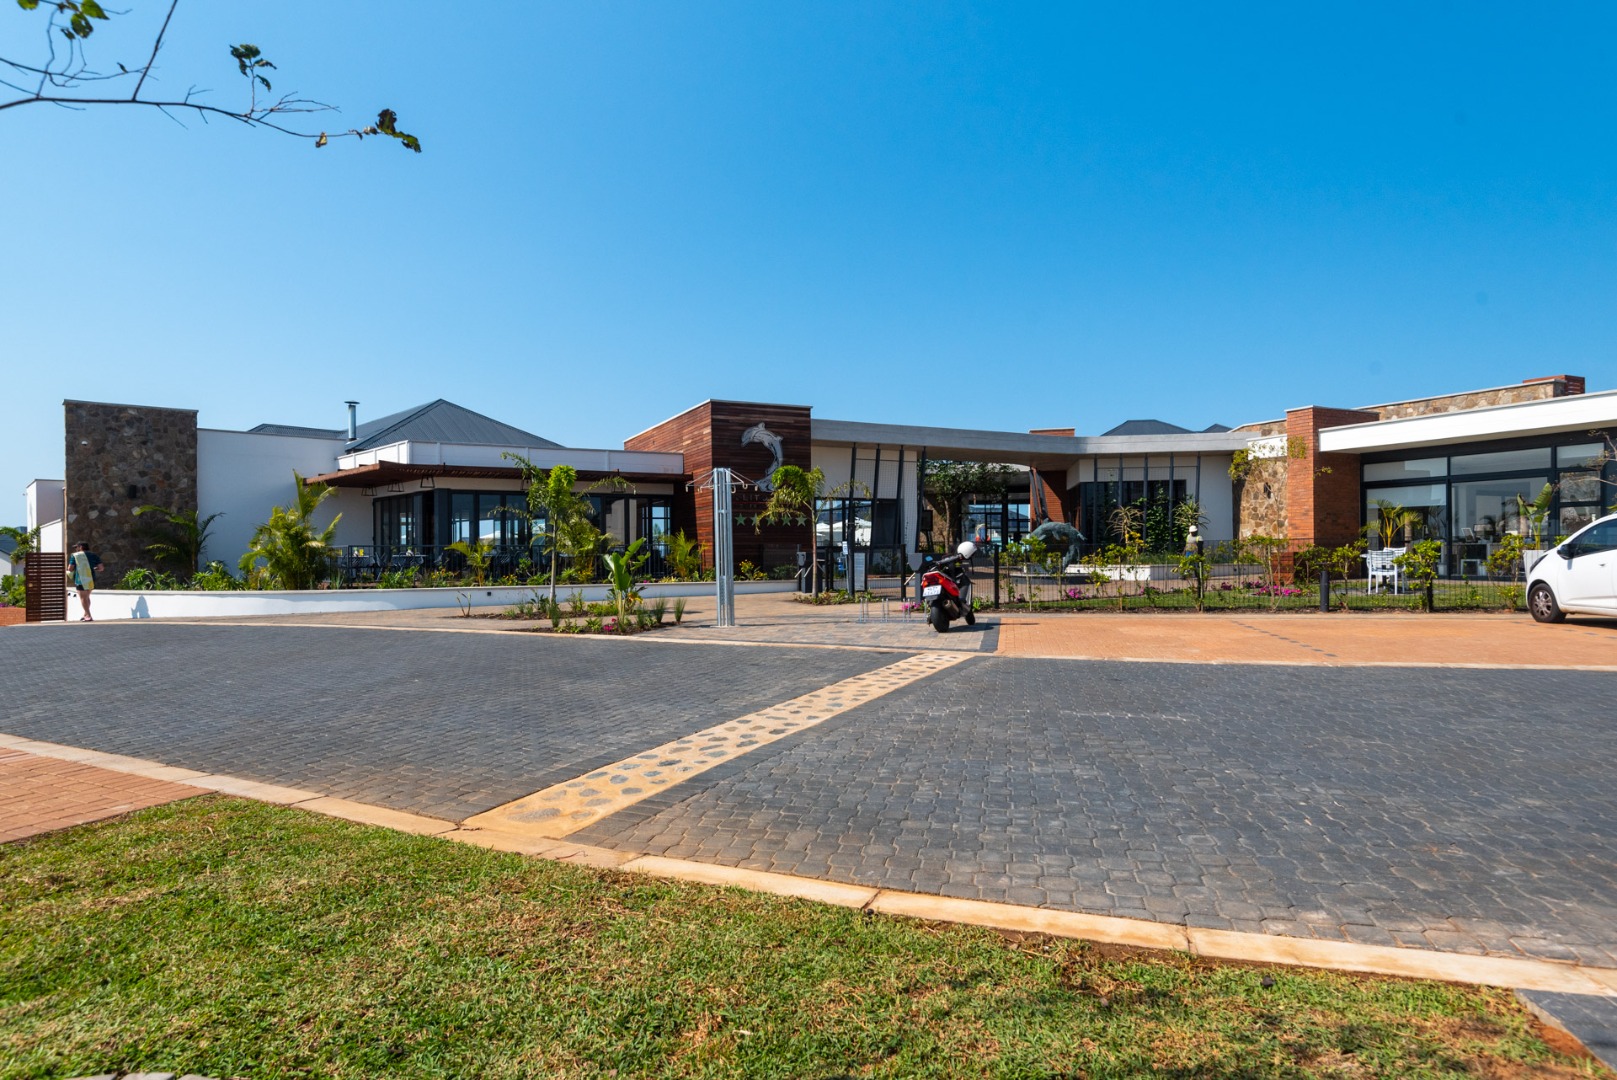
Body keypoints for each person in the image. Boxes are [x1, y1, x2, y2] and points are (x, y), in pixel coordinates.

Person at [68, 541, 103, 622]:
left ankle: (88, 615)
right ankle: (85, 614)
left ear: (81, 547)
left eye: (76, 547)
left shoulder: (75, 556)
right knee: (86, 597)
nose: (76, 549)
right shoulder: (94, 555)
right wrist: (94, 568)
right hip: (91, 578)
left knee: (83, 598)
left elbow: (70, 568)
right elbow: (101, 568)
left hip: (80, 579)